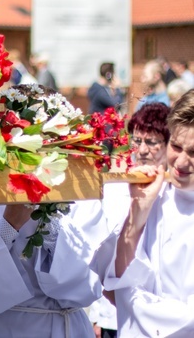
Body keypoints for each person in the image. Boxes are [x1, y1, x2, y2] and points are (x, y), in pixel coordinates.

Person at [92, 89, 194, 337]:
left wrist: (138, 305)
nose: (180, 162)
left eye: (193, 153)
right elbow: (113, 287)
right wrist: (137, 215)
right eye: (176, 146)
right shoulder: (156, 198)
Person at [0, 202, 102, 336]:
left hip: (72, 327)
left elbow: (93, 280)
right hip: (6, 329)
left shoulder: (79, 181)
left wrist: (48, 222)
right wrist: (8, 227)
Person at [84, 102, 170, 338]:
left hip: (166, 318)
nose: (142, 150)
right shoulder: (115, 188)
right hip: (114, 315)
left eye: (151, 142)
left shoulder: (176, 194)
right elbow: (100, 251)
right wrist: (97, 315)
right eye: (136, 141)